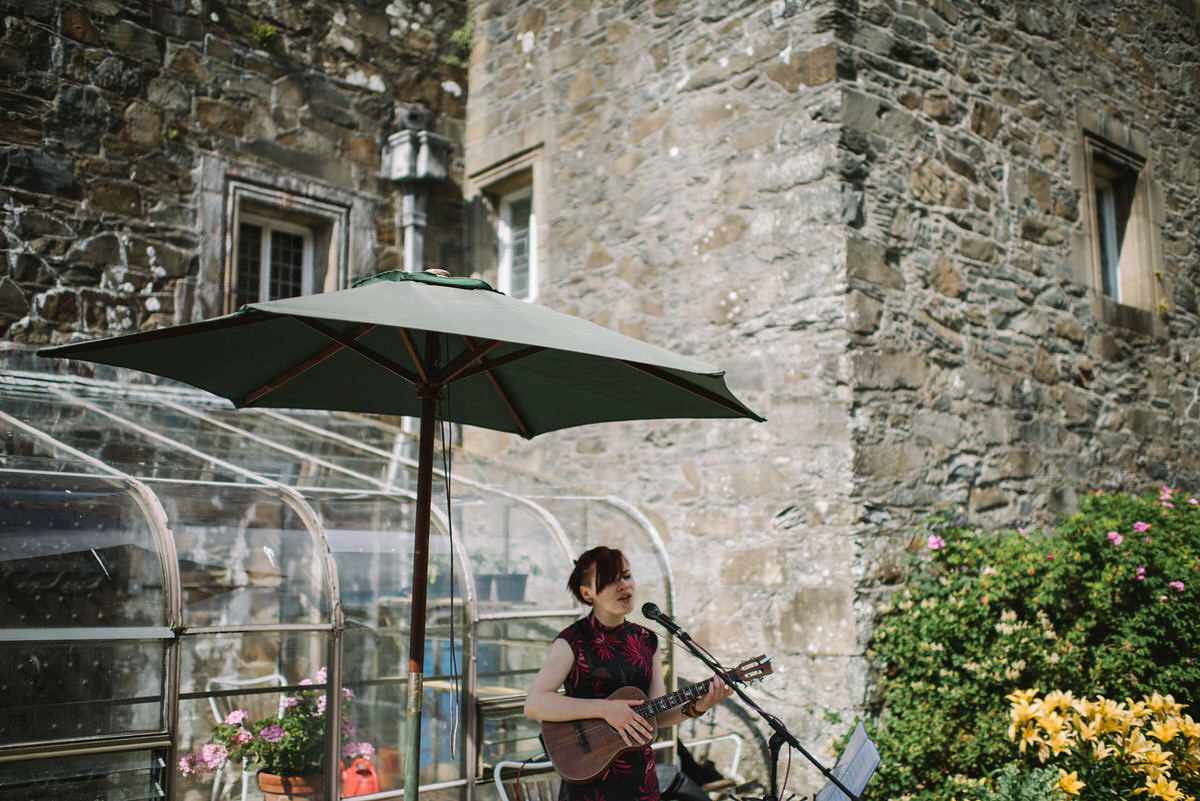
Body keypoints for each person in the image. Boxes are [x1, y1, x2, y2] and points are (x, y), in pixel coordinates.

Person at [525, 546, 733, 801]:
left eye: (626, 576)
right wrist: (606, 710)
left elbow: (659, 714)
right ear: (587, 593)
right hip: (589, 782)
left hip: (640, 782)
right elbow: (535, 703)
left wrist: (701, 705)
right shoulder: (571, 642)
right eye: (611, 580)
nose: (624, 586)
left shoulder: (646, 640)